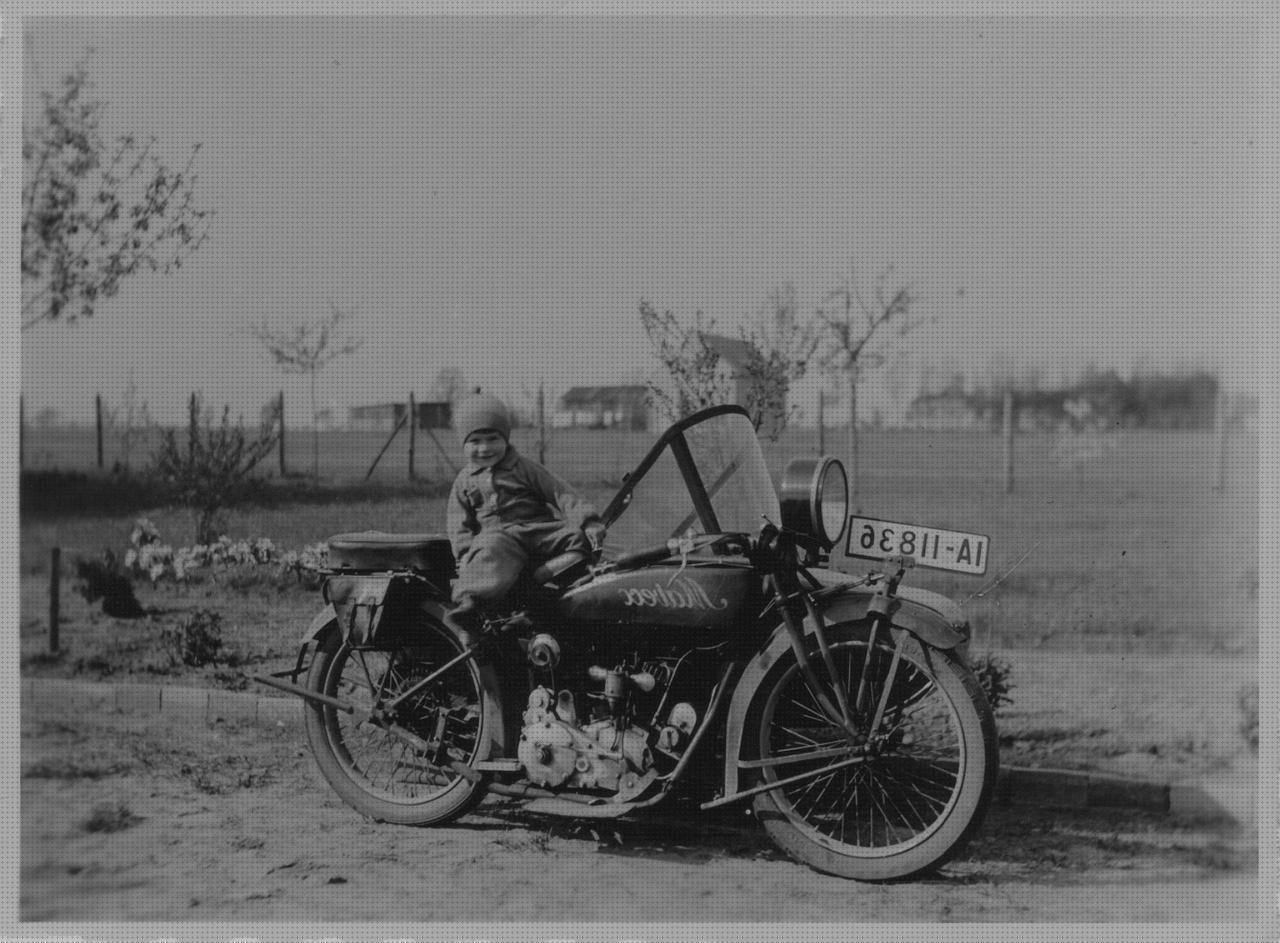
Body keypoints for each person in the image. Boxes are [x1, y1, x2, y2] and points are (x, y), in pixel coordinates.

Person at [444, 391, 605, 642]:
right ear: (463, 444)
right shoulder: (464, 481)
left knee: (576, 536)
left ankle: (557, 582)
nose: (485, 448)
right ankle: (469, 608)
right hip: (501, 537)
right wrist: (464, 554)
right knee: (488, 549)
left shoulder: (525, 468)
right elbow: (458, 522)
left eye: (492, 438)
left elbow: (560, 492)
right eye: (475, 441)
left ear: (506, 439)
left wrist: (589, 521)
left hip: (538, 529)